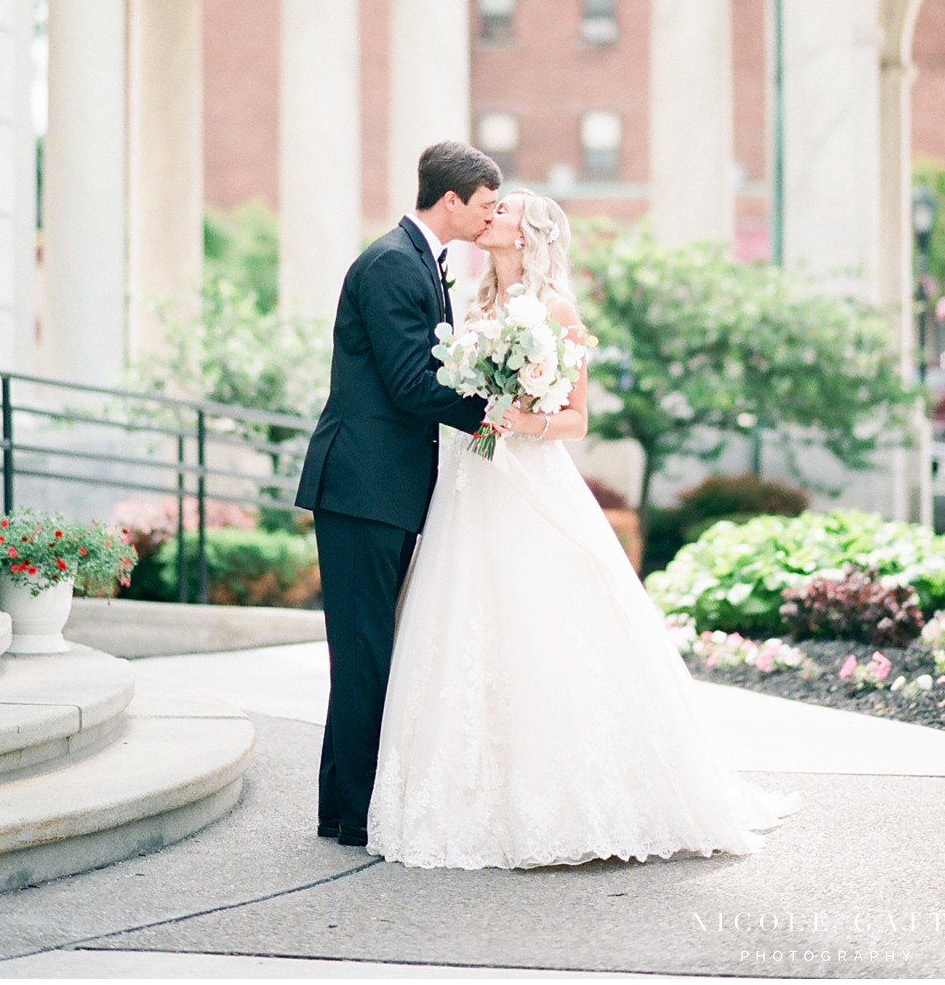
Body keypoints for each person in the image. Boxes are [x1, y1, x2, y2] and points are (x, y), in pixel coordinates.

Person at [366, 189, 798, 867]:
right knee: (466, 620)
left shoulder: (557, 313)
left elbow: (576, 419)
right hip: (469, 485)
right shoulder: (473, 307)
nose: (490, 217)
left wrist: (520, 420)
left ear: (527, 234)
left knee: (544, 621)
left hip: (529, 484)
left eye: (502, 211)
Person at [294, 141, 500, 848]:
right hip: (361, 486)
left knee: (370, 647)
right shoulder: (390, 264)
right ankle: (352, 813)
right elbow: (412, 384)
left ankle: (343, 806)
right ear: (452, 199)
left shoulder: (419, 263)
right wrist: (498, 407)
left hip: (386, 487)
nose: (489, 216)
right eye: (484, 204)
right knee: (364, 651)